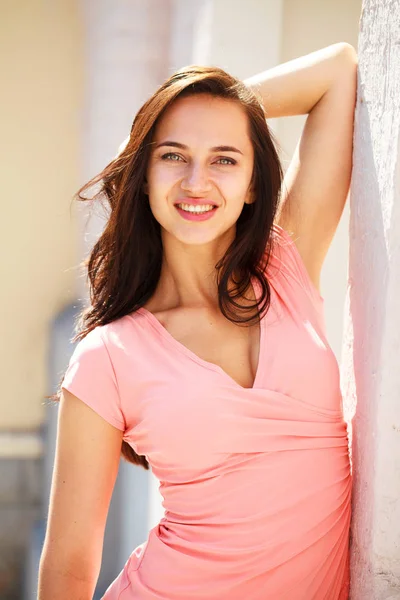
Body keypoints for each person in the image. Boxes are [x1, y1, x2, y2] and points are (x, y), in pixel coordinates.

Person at [38, 42, 357, 599]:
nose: (195, 181)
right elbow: (68, 565)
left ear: (255, 183)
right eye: (172, 155)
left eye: (225, 159)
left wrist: (219, 107)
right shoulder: (108, 357)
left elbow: (338, 71)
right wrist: (164, 124)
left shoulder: (286, 270)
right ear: (142, 174)